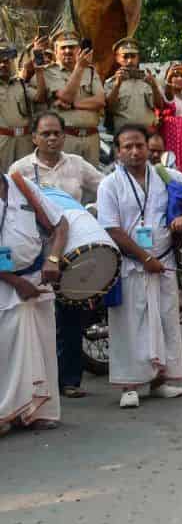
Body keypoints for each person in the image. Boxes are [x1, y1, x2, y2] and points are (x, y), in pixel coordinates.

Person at [96, 124, 182, 408]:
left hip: (164, 259)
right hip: (131, 263)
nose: (134, 151)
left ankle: (161, 381)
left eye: (139, 145)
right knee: (129, 322)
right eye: (127, 147)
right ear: (118, 152)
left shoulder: (163, 174)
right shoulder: (109, 184)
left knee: (164, 318)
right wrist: (145, 259)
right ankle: (129, 385)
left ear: (148, 148)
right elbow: (111, 228)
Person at [12, 111, 103, 397]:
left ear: (64, 136)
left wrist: (94, 212)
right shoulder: (20, 169)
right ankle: (38, 384)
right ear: (34, 137)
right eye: (46, 133)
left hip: (74, 247)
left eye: (56, 133)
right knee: (35, 315)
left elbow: (106, 188)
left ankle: (69, 381)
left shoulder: (76, 164)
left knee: (71, 314)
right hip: (36, 250)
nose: (52, 138)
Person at [0, 162, 67, 436]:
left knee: (42, 342)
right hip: (6, 283)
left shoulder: (20, 184)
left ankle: (39, 412)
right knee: (7, 349)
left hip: (36, 277)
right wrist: (16, 282)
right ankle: (6, 413)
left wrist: (53, 259)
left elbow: (60, 223)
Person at [38, 31, 104, 166]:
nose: (68, 51)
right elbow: (65, 97)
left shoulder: (90, 71)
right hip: (66, 137)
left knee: (91, 183)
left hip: (91, 137)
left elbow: (100, 101)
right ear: (56, 51)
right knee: (64, 180)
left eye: (72, 47)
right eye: (63, 48)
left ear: (78, 50)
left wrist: (74, 105)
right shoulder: (49, 71)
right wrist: (79, 67)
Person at [103, 37, 163, 135]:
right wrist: (117, 85)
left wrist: (154, 87)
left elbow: (159, 106)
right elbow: (109, 108)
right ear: (117, 58)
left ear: (138, 58)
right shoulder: (111, 82)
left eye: (133, 56)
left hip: (147, 134)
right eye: (125, 56)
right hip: (123, 135)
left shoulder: (148, 79)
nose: (130, 60)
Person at [0, 41, 34, 172]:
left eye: (6, 61)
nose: (3, 65)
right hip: (3, 141)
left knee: (26, 179)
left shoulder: (20, 84)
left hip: (24, 140)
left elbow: (39, 97)